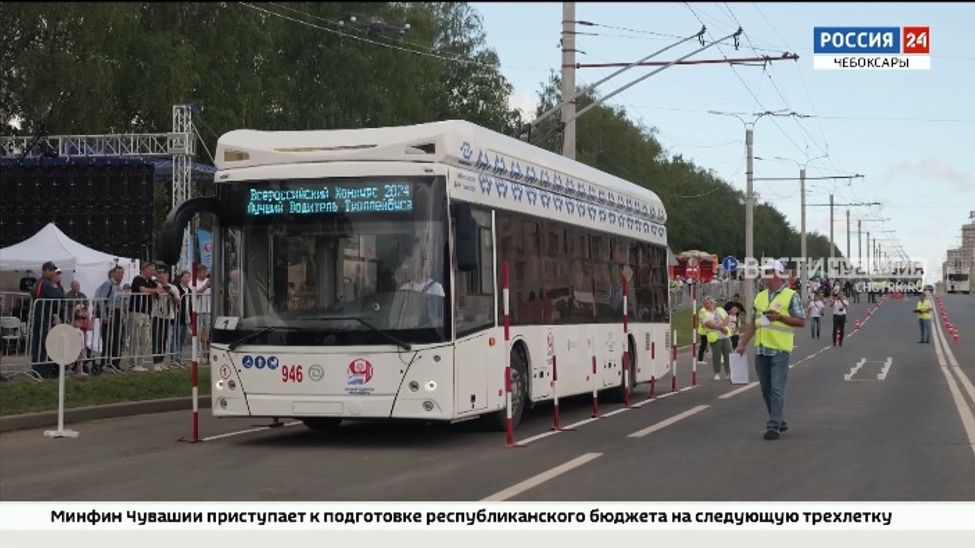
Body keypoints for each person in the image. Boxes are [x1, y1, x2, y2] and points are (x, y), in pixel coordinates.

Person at [735, 259, 805, 440]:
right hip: (762, 349)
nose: (764, 275)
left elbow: (801, 321)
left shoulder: (791, 296)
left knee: (777, 389)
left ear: (777, 274)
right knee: (766, 389)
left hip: (780, 349)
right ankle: (779, 419)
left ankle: (773, 425)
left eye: (768, 272)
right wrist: (743, 343)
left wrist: (780, 317)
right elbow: (753, 323)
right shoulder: (760, 297)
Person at [30, 261, 66, 378]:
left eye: (53, 270)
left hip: (47, 317)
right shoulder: (43, 283)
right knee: (42, 344)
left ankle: (45, 369)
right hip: (41, 318)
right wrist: (57, 289)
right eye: (50, 270)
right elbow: (56, 296)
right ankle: (40, 370)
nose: (52, 273)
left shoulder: (47, 283)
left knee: (46, 343)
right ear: (44, 271)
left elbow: (58, 298)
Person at [127, 262, 160, 372]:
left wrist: (159, 284)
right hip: (136, 312)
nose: (153, 272)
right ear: (144, 269)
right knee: (135, 338)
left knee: (146, 339)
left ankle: (140, 362)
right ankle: (133, 363)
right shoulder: (137, 279)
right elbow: (143, 290)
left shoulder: (150, 281)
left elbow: (160, 289)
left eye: (153, 269)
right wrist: (155, 291)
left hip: (147, 313)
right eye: (151, 269)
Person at [94, 266, 126, 373]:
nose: (121, 276)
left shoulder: (119, 286)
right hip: (109, 312)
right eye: (118, 273)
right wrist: (103, 315)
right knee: (108, 339)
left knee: (117, 339)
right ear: (113, 274)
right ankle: (106, 363)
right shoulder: (108, 284)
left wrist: (122, 313)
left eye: (122, 273)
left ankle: (116, 363)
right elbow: (101, 300)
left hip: (117, 313)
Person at [151, 269, 180, 372]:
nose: (161, 277)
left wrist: (171, 293)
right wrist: (157, 290)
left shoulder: (173, 288)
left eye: (163, 275)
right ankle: (156, 362)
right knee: (156, 340)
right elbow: (153, 297)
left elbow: (178, 302)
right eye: (159, 276)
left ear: (167, 276)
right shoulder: (155, 286)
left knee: (164, 340)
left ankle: (162, 361)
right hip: (157, 315)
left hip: (168, 316)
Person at [701, 297, 732, 380]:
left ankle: (728, 373)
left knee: (728, 354)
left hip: (725, 335)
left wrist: (723, 326)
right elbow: (708, 324)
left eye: (708, 303)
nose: (706, 305)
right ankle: (717, 373)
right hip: (715, 337)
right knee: (716, 355)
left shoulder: (720, 309)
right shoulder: (705, 313)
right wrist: (720, 328)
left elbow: (727, 318)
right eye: (705, 304)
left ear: (712, 303)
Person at [70, 303, 91, 378]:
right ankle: (74, 371)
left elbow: (89, 327)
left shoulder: (83, 321)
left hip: (82, 345)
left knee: (81, 359)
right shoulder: (75, 327)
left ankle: (79, 371)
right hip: (77, 345)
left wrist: (88, 317)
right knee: (75, 358)